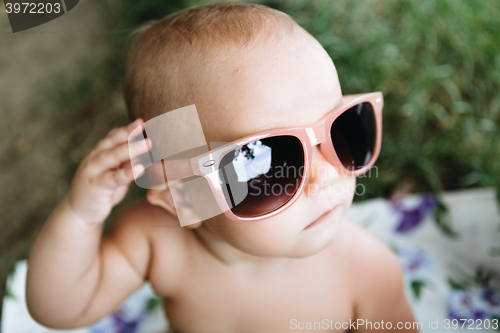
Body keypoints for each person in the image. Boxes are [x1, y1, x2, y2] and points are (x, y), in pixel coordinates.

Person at [26, 2, 419, 332]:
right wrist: (81, 215)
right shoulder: (157, 243)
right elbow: (61, 309)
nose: (327, 175)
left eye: (344, 129)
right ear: (185, 200)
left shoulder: (366, 271)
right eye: (264, 161)